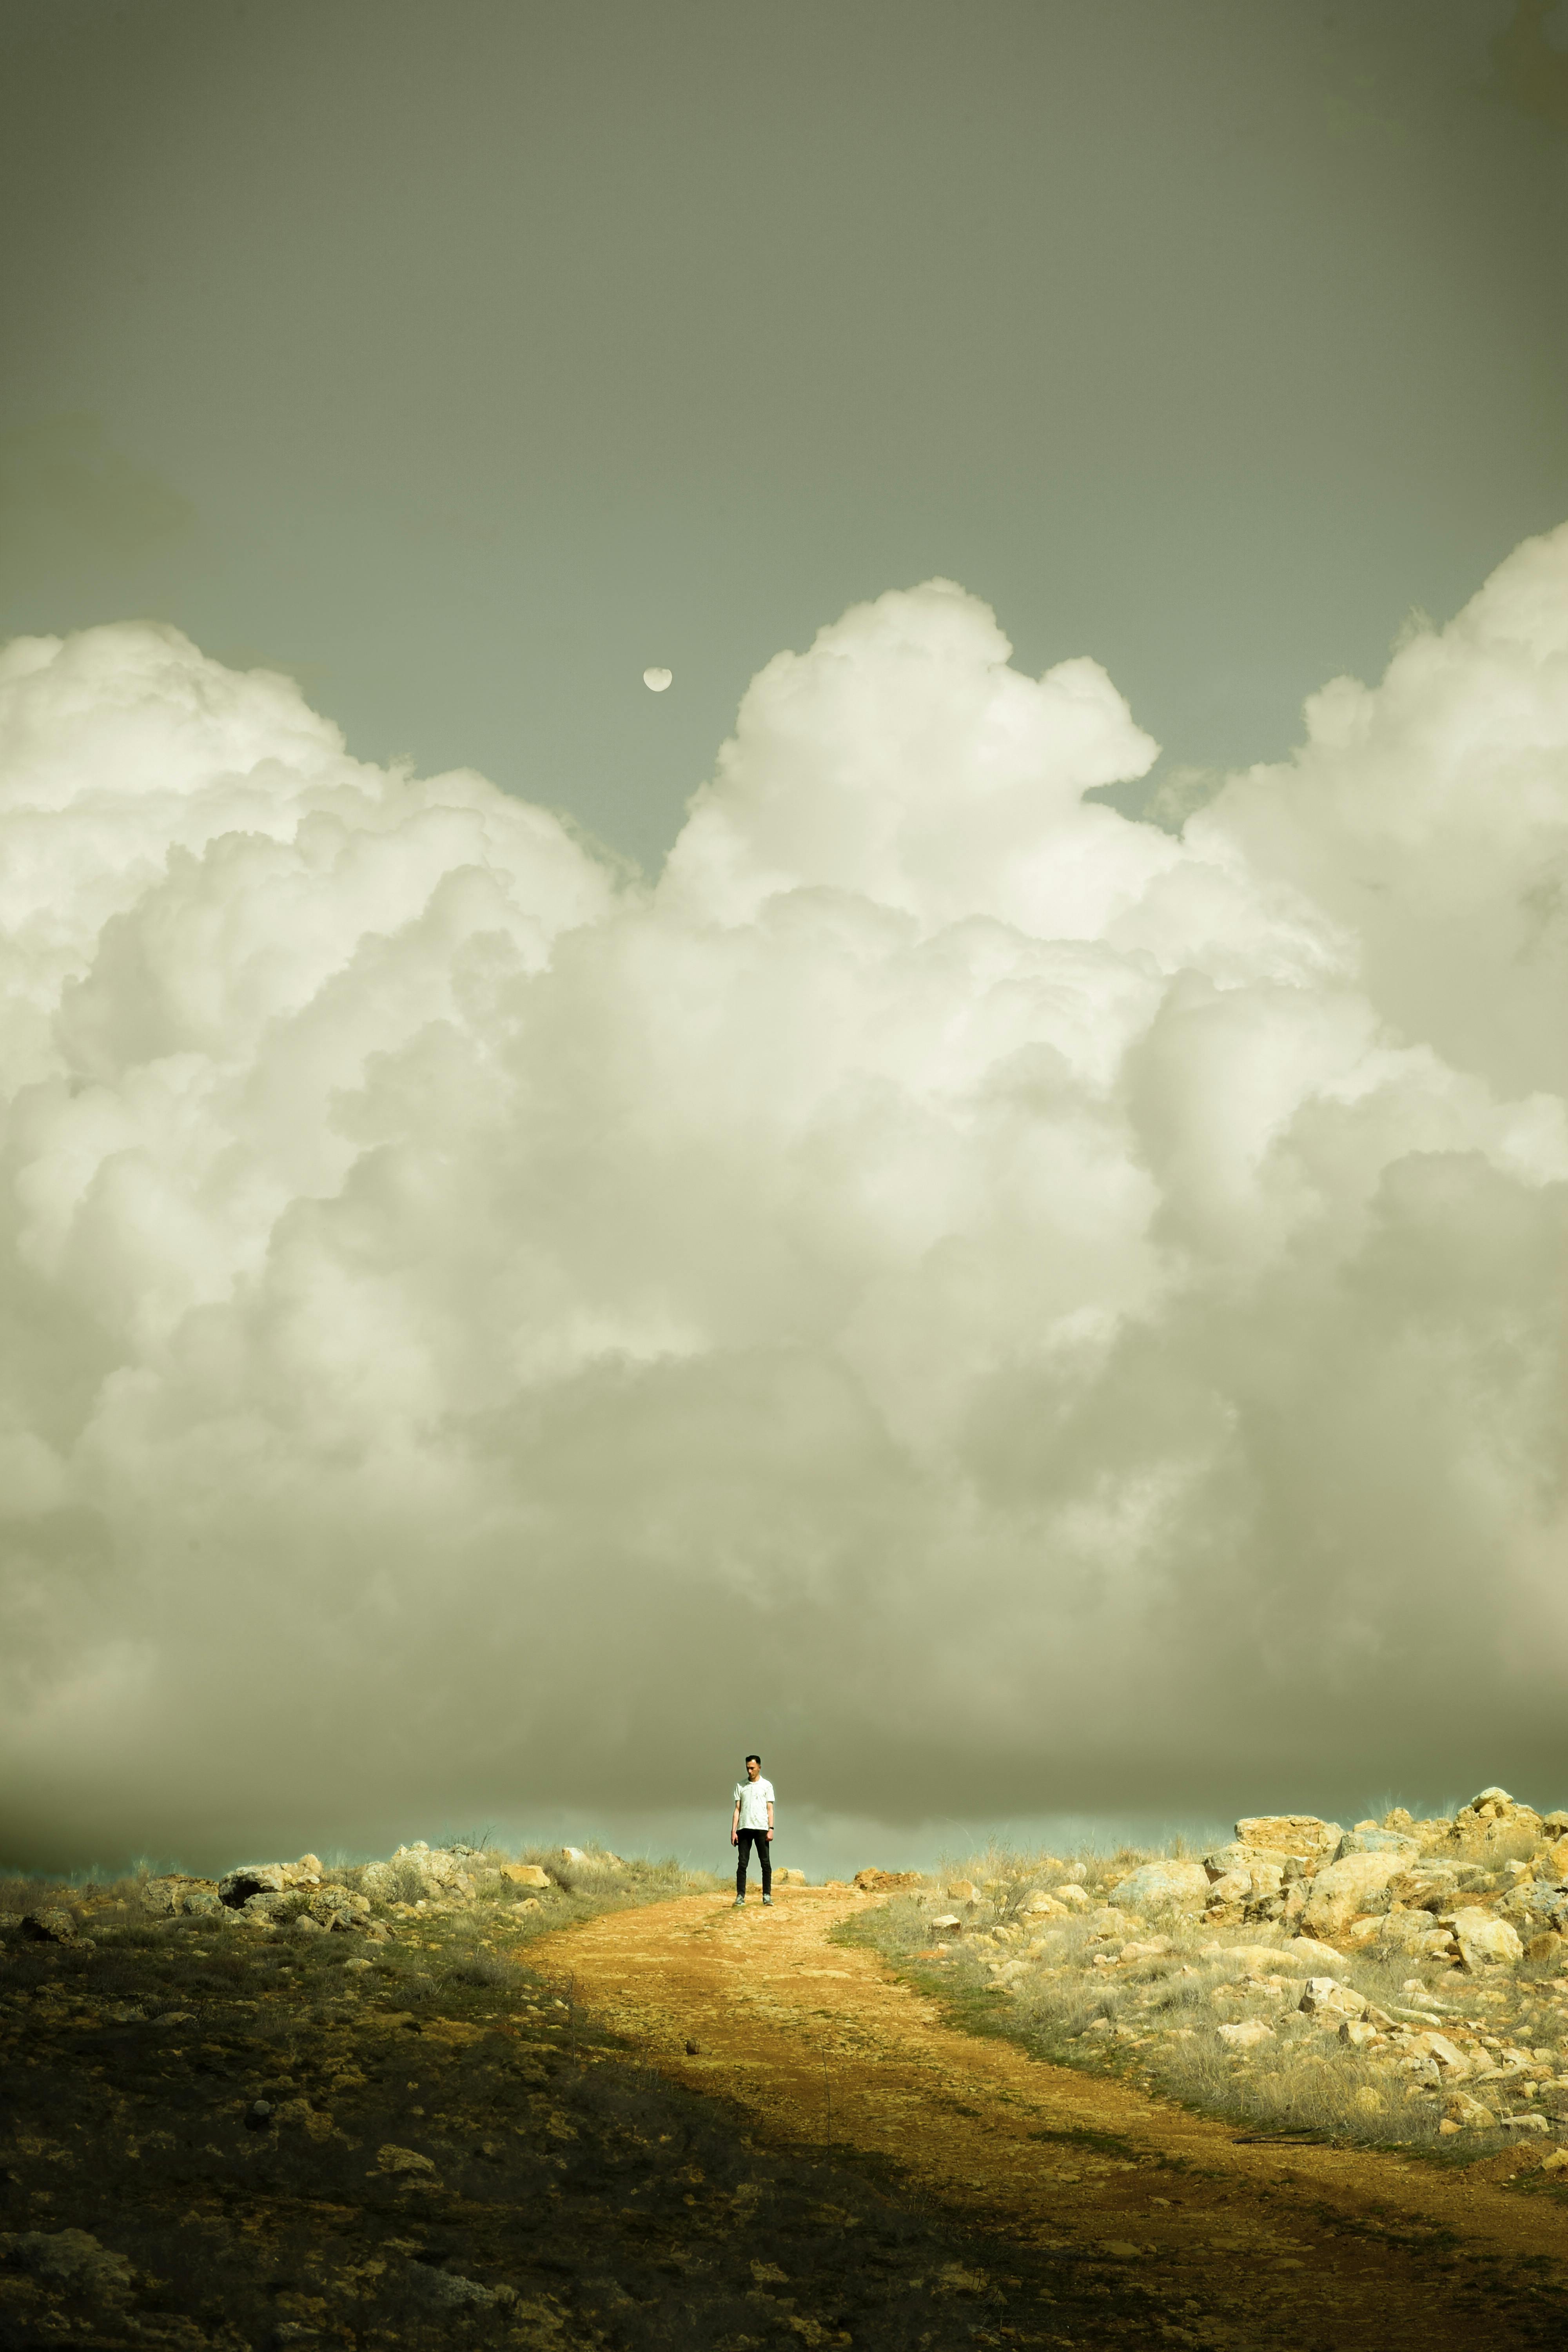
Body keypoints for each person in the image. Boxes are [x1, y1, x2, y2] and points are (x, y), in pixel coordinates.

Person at [730, 1752, 775, 1906]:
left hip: (762, 1828)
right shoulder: (741, 1785)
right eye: (748, 1768)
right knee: (742, 1863)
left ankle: (767, 1896)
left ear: (759, 1768)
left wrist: (771, 1829)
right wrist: (733, 1831)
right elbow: (737, 1809)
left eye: (752, 1768)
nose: (750, 1771)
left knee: (766, 1863)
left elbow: (770, 1809)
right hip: (744, 1828)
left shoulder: (767, 1786)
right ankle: (740, 1896)